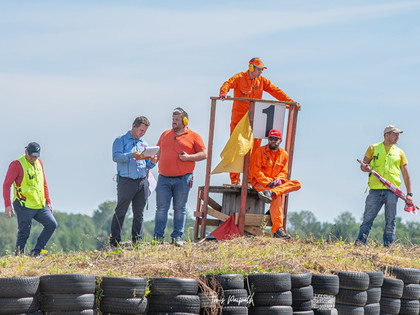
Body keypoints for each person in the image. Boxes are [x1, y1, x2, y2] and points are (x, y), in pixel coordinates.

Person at [219, 57, 298, 184]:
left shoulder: (262, 81)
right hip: (238, 121)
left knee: (255, 151)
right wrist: (223, 92)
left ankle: (250, 180)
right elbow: (228, 83)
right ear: (251, 68)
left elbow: (275, 90)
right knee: (236, 149)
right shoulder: (239, 78)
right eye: (259, 69)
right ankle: (235, 180)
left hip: (255, 122)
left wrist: (290, 102)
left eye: (262, 69)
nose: (261, 72)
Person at [154, 107, 207, 247]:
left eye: (177, 120)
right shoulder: (165, 134)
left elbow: (204, 154)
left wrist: (189, 157)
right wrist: (154, 158)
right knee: (161, 209)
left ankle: (177, 237)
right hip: (163, 178)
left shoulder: (194, 136)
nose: (174, 122)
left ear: (185, 121)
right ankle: (157, 238)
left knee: (179, 209)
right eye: (173, 119)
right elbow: (158, 151)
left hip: (183, 179)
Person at [355, 125, 413, 247]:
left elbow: (406, 175)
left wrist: (409, 194)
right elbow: (363, 166)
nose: (397, 137)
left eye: (398, 135)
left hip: (392, 191)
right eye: (395, 134)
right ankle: (360, 244)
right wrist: (365, 167)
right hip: (375, 190)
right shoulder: (373, 148)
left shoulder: (400, 152)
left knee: (390, 220)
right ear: (387, 135)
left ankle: (388, 246)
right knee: (367, 219)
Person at [110, 116, 157, 247]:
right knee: (121, 211)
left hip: (142, 181)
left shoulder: (144, 144)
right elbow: (116, 157)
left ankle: (137, 241)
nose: (142, 134)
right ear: (134, 126)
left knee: (139, 213)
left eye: (144, 132)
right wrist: (131, 155)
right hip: (126, 181)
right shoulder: (121, 140)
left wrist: (152, 162)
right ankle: (114, 241)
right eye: (141, 130)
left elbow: (147, 164)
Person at [3, 142, 57, 256]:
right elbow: (6, 185)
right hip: (23, 205)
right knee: (24, 233)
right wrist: (7, 205)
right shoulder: (16, 165)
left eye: (36, 156)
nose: (33, 158)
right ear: (26, 152)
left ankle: (37, 252)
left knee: (52, 224)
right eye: (31, 155)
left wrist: (48, 201)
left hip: (39, 204)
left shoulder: (39, 163)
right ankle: (19, 257)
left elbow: (44, 183)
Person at [250, 129, 301, 239]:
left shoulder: (284, 154)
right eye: (270, 138)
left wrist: (279, 180)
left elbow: (284, 172)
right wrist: (268, 182)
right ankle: (278, 230)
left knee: (297, 184)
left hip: (275, 185)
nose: (273, 141)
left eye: (275, 139)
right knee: (276, 197)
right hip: (260, 183)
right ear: (268, 139)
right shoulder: (260, 151)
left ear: (280, 140)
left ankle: (271, 193)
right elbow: (256, 172)